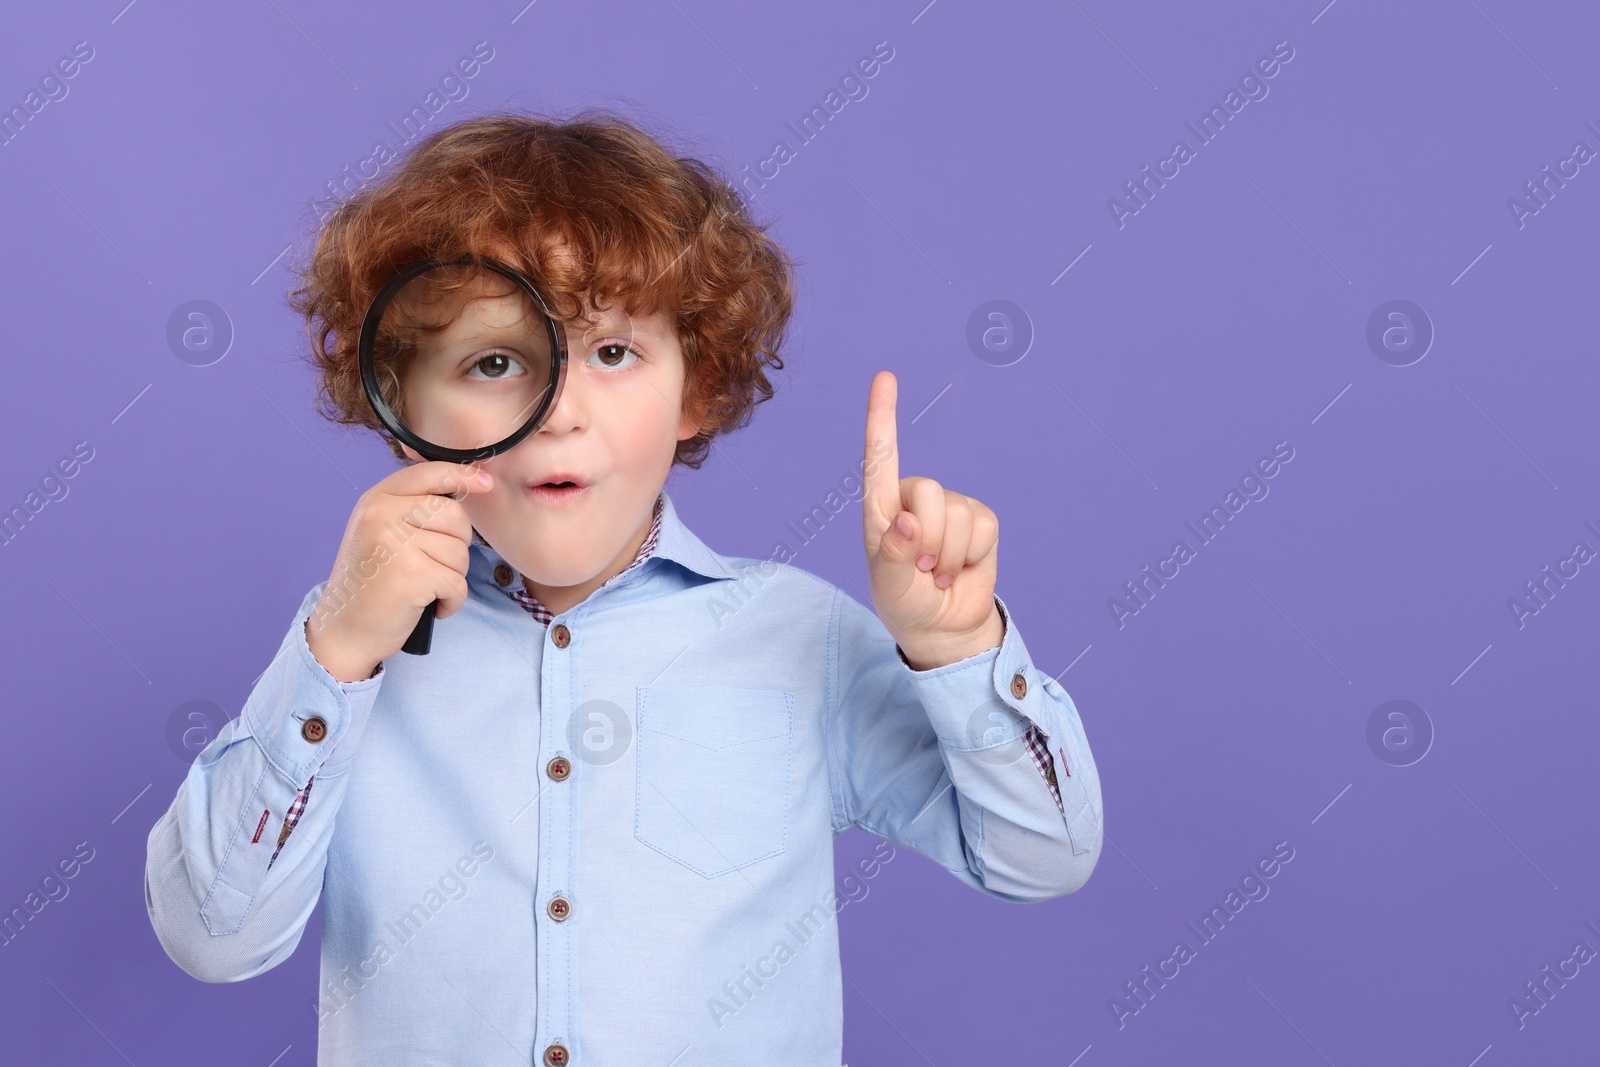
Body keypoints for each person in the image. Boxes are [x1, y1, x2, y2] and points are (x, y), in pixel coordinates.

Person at [143, 109, 1104, 1066]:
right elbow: (214, 935)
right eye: (494, 362)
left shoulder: (800, 636)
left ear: (699, 387)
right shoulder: (347, 658)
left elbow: (1042, 856)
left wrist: (958, 648)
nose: (559, 413)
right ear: (402, 411)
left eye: (612, 353)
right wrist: (333, 653)